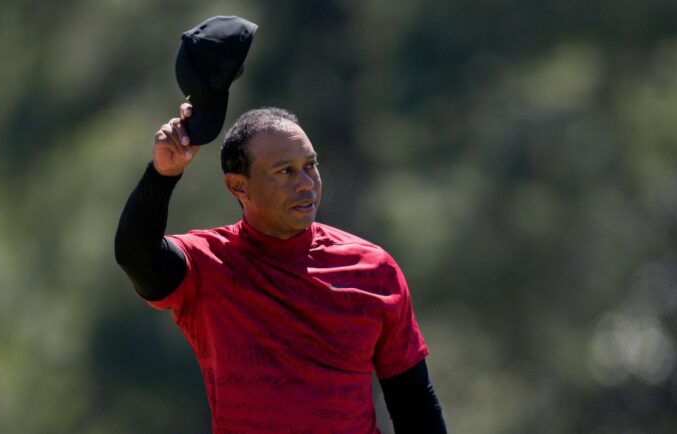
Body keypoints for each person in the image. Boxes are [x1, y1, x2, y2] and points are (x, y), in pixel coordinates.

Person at [115, 103, 447, 433]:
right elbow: (138, 257)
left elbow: (413, 403)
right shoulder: (209, 264)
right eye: (285, 171)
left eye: (310, 165)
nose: (306, 183)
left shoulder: (374, 269)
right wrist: (162, 175)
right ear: (238, 186)